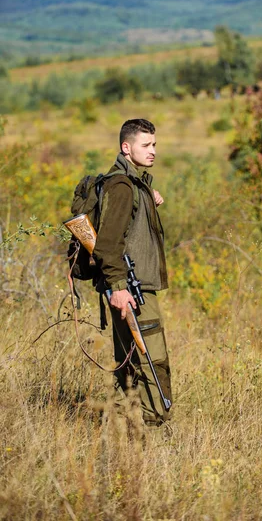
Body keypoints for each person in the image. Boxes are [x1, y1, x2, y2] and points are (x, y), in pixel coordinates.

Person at [93, 118, 172, 426]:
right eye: (146, 145)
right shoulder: (123, 186)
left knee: (129, 359)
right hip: (130, 289)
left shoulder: (132, 184)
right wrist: (119, 286)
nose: (153, 151)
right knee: (153, 360)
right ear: (127, 147)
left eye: (154, 144)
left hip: (126, 286)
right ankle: (153, 429)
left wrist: (148, 195)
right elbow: (108, 244)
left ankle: (126, 426)